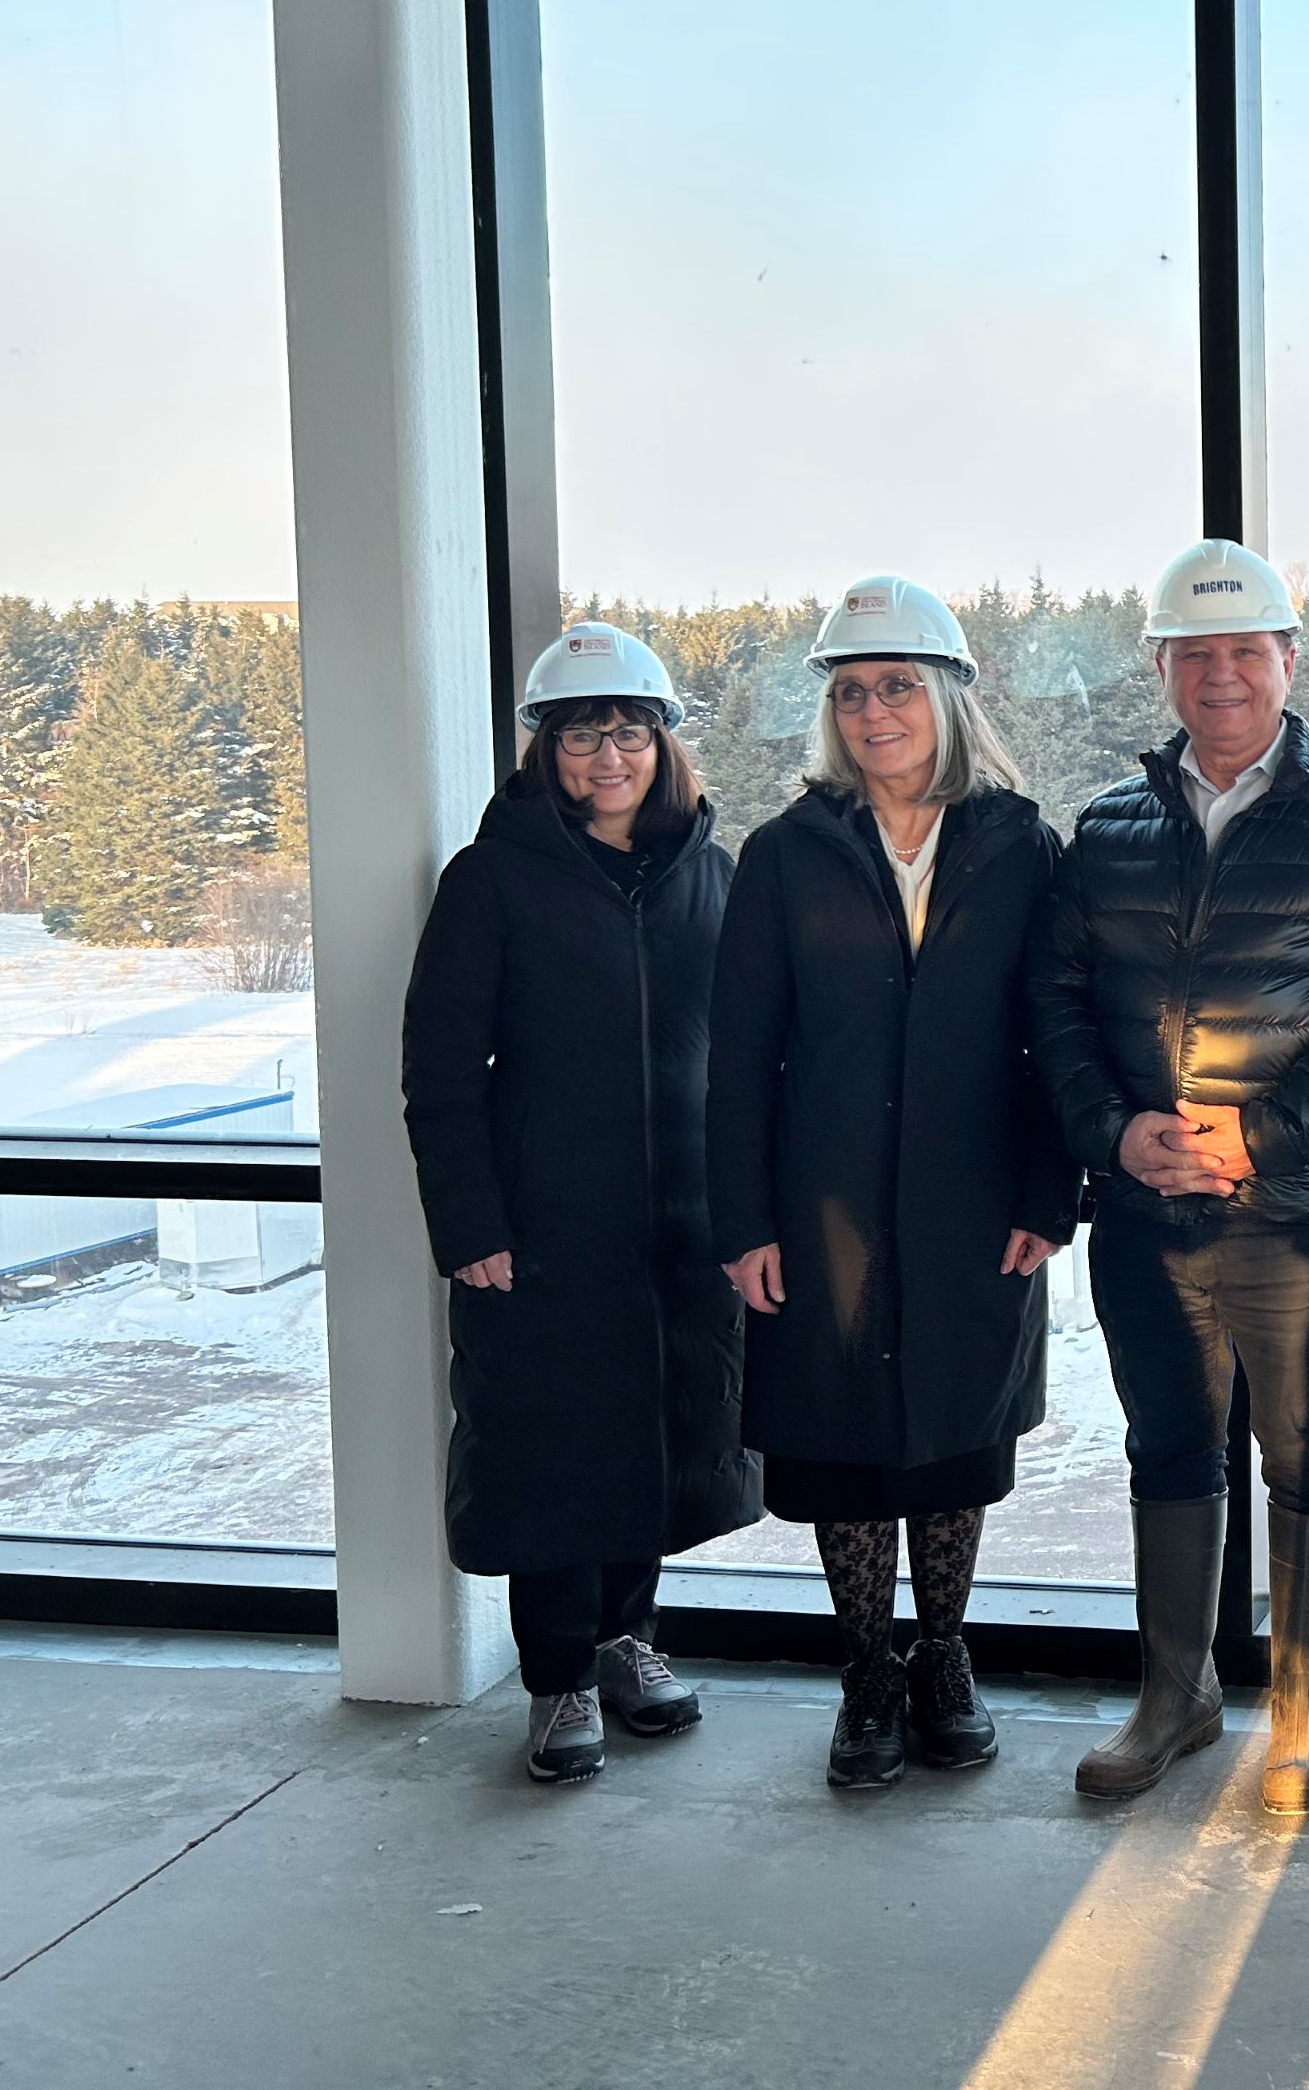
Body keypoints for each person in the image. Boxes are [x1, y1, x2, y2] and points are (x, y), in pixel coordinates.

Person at [1032, 540, 1309, 1817]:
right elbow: (1056, 1000)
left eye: (1243, 652)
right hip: (1146, 1209)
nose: (1220, 677)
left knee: (1305, 1444)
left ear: (1286, 662)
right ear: (1160, 665)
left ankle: (1303, 1702)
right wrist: (1114, 1130)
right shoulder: (1106, 827)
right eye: (1193, 655)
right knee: (1168, 1443)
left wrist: (1270, 1133)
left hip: (1292, 1208)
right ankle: (1178, 1691)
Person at [706, 574, 1073, 1791]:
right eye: (855, 691)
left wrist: (1044, 1189)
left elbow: (1052, 1032)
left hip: (974, 1200)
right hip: (824, 1206)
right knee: (842, 1439)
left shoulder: (1019, 844)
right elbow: (740, 1053)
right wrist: (745, 1218)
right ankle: (867, 1668)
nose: (875, 712)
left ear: (951, 696)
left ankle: (944, 1651)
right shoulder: (783, 854)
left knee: (953, 1437)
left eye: (900, 686)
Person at [401, 622, 760, 1785]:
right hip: (546, 1227)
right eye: (581, 733)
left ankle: (625, 1640)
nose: (609, 754)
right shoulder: (492, 880)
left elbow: (757, 1057)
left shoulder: (713, 874)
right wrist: (472, 1226)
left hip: (682, 1226)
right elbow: (441, 1072)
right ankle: (555, 1678)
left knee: (658, 1436)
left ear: (664, 741)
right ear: (543, 750)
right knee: (553, 1445)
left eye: (630, 729)